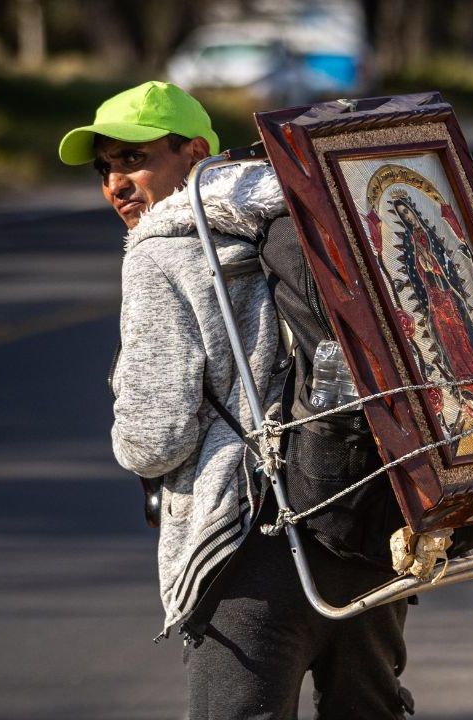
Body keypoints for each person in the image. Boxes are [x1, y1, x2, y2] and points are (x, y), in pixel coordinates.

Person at [59, 81, 410, 720]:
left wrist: (126, 432)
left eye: (135, 159)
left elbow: (155, 435)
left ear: (194, 151)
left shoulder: (160, 253)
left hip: (248, 546)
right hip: (363, 526)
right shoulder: (312, 217)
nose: (116, 184)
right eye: (105, 168)